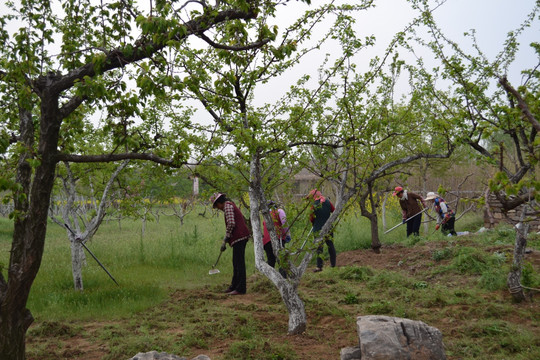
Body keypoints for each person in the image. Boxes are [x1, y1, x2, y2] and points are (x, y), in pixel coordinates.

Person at [211, 193, 250, 295]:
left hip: (240, 237)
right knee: (236, 263)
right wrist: (227, 240)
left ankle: (241, 289)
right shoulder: (229, 205)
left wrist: (226, 238)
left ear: (219, 203)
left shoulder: (227, 206)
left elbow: (231, 223)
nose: (218, 208)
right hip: (238, 238)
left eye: (216, 206)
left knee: (239, 263)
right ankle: (234, 286)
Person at [307, 189, 336, 272]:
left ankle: (319, 267)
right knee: (330, 245)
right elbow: (334, 211)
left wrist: (314, 222)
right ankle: (333, 265)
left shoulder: (313, 205)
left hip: (318, 228)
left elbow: (311, 218)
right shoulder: (328, 202)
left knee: (319, 248)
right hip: (328, 227)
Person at [262, 200, 290, 268]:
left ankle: (272, 277)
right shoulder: (279, 211)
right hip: (277, 238)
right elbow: (284, 223)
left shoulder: (266, 215)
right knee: (282, 260)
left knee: (271, 261)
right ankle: (283, 277)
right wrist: (287, 234)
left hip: (266, 241)